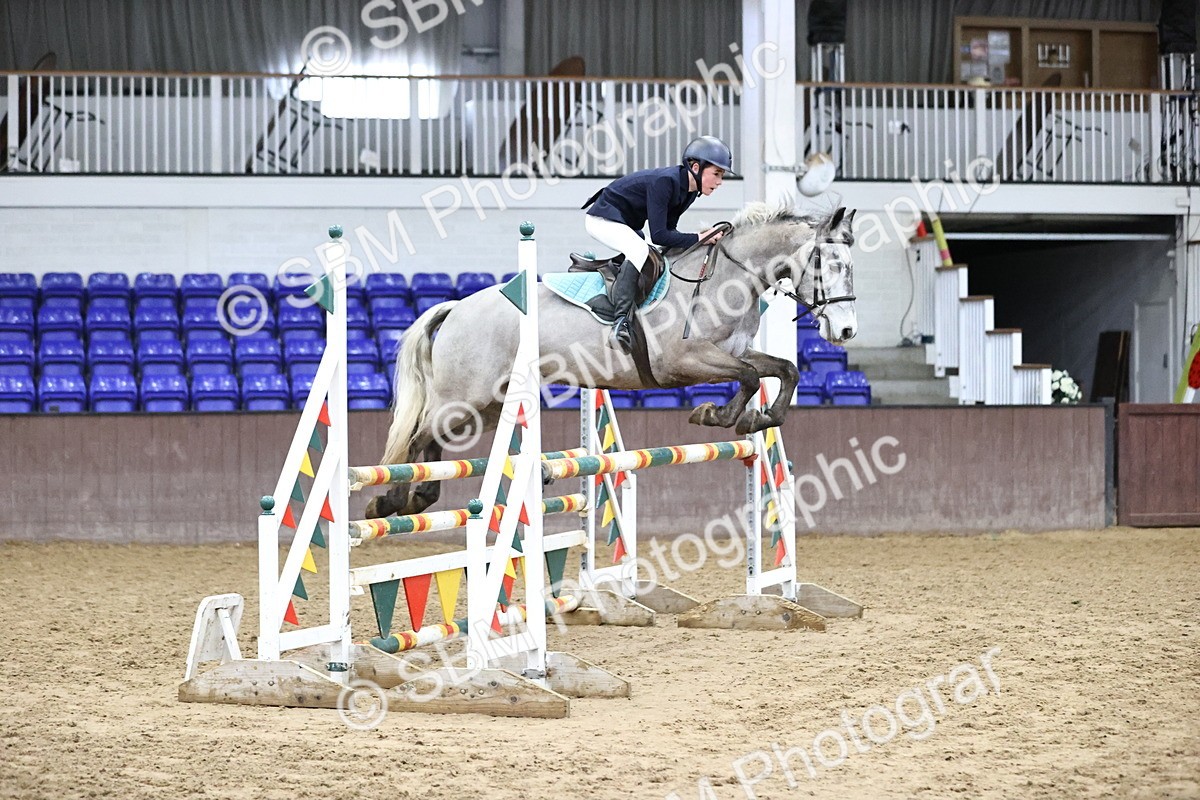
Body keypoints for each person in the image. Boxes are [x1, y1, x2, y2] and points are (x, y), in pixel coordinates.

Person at [582, 135, 733, 352]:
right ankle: (621, 323)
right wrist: (701, 238)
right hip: (601, 219)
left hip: (626, 224)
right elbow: (660, 235)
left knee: (650, 251)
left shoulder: (689, 192)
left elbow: (668, 234)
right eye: (716, 174)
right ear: (696, 167)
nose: (720, 182)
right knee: (638, 249)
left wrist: (700, 239)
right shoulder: (665, 182)